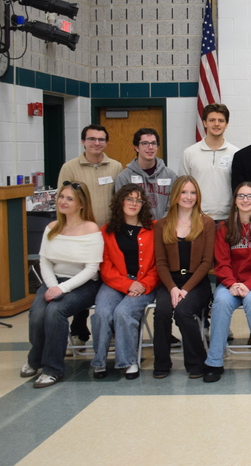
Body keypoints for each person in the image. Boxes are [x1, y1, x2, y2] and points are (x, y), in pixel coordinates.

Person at [20, 181, 102, 388]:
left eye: (69, 198)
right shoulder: (52, 228)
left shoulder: (91, 229)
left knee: (55, 311)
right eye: (61, 197)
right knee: (37, 315)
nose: (63, 202)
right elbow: (44, 261)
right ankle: (35, 358)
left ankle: (52, 369)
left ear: (81, 204)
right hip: (53, 280)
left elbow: (91, 269)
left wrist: (62, 289)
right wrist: (51, 286)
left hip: (82, 285)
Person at [204, 182, 251, 382]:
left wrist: (249, 284)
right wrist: (231, 283)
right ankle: (214, 362)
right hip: (231, 283)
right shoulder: (224, 228)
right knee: (220, 302)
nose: (245, 200)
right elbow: (221, 262)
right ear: (235, 201)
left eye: (250, 196)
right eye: (241, 196)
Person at [58, 124, 123, 345]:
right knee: (82, 280)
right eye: (92, 139)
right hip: (81, 237)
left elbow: (119, 200)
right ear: (83, 141)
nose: (97, 143)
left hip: (109, 234)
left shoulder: (115, 167)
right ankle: (79, 329)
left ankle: (111, 328)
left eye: (101, 139)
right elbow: (64, 201)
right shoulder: (70, 167)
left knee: (108, 280)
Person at [91, 184, 158, 380]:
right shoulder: (107, 230)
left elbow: (158, 264)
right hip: (115, 283)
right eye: (129, 199)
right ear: (120, 202)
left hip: (144, 283)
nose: (134, 203)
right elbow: (105, 265)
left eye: (138, 200)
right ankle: (99, 361)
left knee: (123, 312)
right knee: (102, 313)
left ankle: (128, 361)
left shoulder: (153, 228)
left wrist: (143, 284)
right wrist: (126, 284)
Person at [152, 175, 215, 379]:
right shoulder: (162, 225)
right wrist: (172, 288)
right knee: (161, 311)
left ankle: (197, 362)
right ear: (175, 196)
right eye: (184, 192)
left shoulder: (206, 223)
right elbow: (160, 263)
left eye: (193, 192)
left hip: (196, 283)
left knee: (182, 311)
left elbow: (206, 262)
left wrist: (185, 289)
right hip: (169, 282)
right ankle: (161, 362)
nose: (189, 197)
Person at [181, 103, 240, 222]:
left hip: (228, 218)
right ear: (204, 123)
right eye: (212, 120)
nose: (216, 124)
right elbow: (181, 187)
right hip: (197, 217)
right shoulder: (189, 153)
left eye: (221, 120)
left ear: (226, 124)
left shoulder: (236, 154)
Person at [115, 128, 177, 219]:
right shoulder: (125, 177)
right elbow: (121, 207)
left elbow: (174, 204)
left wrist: (162, 224)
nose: (150, 147)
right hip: (138, 229)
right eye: (145, 143)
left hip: (164, 227)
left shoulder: (170, 175)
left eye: (153, 143)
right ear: (136, 147)